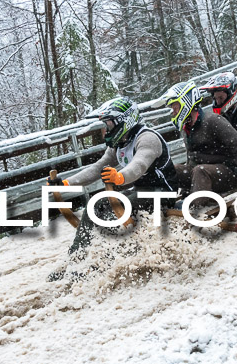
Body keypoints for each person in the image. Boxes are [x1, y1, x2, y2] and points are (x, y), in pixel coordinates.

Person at [47, 96, 177, 273]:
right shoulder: (119, 142)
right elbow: (97, 168)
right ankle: (77, 257)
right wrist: (66, 183)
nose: (106, 130)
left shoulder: (147, 138)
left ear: (125, 121)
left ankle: (105, 261)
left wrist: (120, 177)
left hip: (161, 193)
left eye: (109, 125)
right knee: (95, 206)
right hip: (138, 191)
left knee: (107, 210)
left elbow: (138, 165)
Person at [160, 80, 237, 204]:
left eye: (175, 107)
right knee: (174, 169)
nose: (173, 112)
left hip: (230, 173)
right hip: (204, 174)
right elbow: (192, 158)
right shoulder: (187, 128)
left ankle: (195, 211)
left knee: (200, 170)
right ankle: (166, 204)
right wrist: (186, 189)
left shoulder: (212, 120)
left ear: (186, 103)